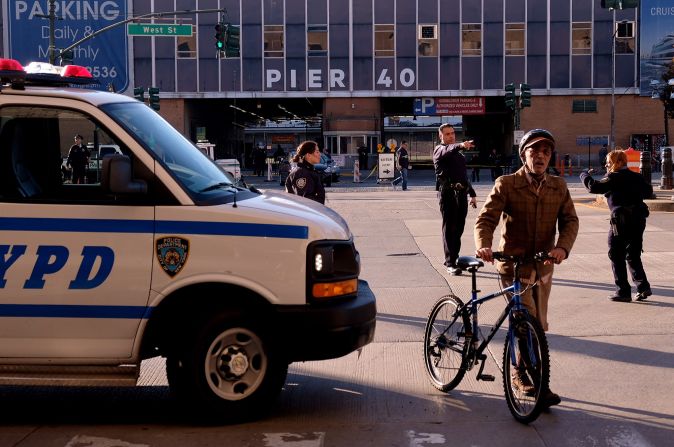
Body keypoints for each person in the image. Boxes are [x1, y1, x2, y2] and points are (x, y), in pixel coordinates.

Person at [474, 128, 579, 409]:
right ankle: (533, 381)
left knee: (538, 324)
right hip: (513, 266)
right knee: (527, 320)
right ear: (524, 155)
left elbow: (570, 221)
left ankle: (521, 369)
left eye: (546, 152)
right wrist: (484, 245)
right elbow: (486, 219)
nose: (541, 156)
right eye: (535, 151)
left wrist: (562, 248)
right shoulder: (507, 184)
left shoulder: (559, 186)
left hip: (543, 266)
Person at [580, 150, 653, 302]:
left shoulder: (613, 177)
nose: (606, 165)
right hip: (639, 219)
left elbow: (593, 187)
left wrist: (584, 174)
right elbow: (648, 191)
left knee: (616, 253)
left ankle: (623, 291)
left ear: (616, 162)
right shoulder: (637, 176)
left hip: (621, 221)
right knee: (633, 254)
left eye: (608, 162)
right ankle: (643, 287)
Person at [433, 124, 477, 275]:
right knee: (450, 228)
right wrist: (460, 145)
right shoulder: (440, 149)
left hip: (461, 193)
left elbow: (463, 176)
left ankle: (455, 257)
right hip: (447, 194)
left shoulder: (458, 155)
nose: (451, 136)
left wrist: (472, 193)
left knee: (459, 228)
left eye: (452, 133)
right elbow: (447, 150)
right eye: (447, 134)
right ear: (441, 136)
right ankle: (450, 263)